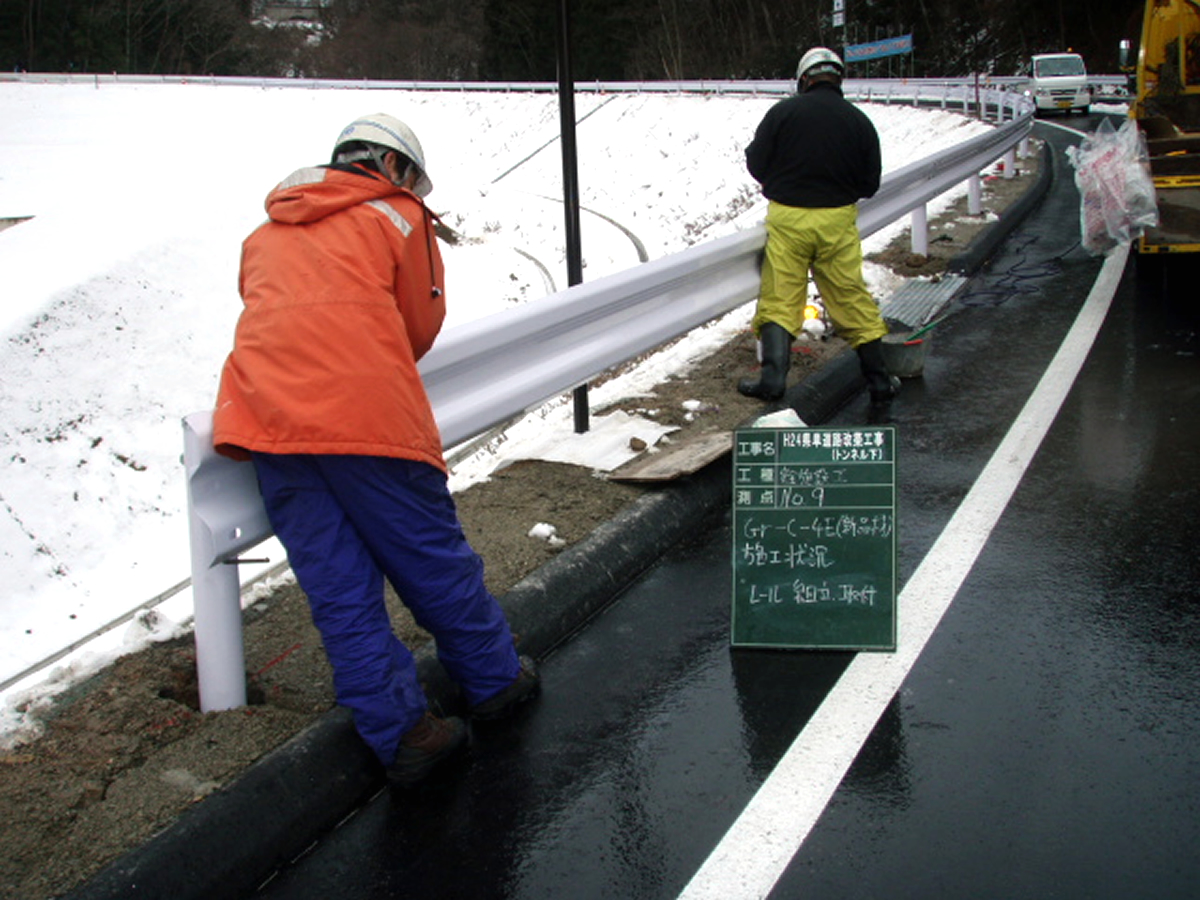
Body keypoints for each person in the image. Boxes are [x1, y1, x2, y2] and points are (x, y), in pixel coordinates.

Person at [212, 113, 540, 787]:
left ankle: (405, 735)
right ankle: (495, 681)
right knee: (430, 559)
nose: (414, 190)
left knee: (339, 587)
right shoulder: (397, 216)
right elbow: (417, 325)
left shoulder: (263, 234)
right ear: (391, 168)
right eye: (412, 178)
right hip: (367, 418)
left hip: (268, 422)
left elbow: (272, 313)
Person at [739, 47, 900, 422]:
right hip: (837, 220)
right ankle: (878, 381)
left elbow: (756, 161)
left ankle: (773, 379)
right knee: (849, 296)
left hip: (789, 219)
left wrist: (782, 183)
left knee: (781, 295)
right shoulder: (858, 121)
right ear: (838, 80)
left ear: (804, 79)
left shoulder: (783, 113)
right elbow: (870, 182)